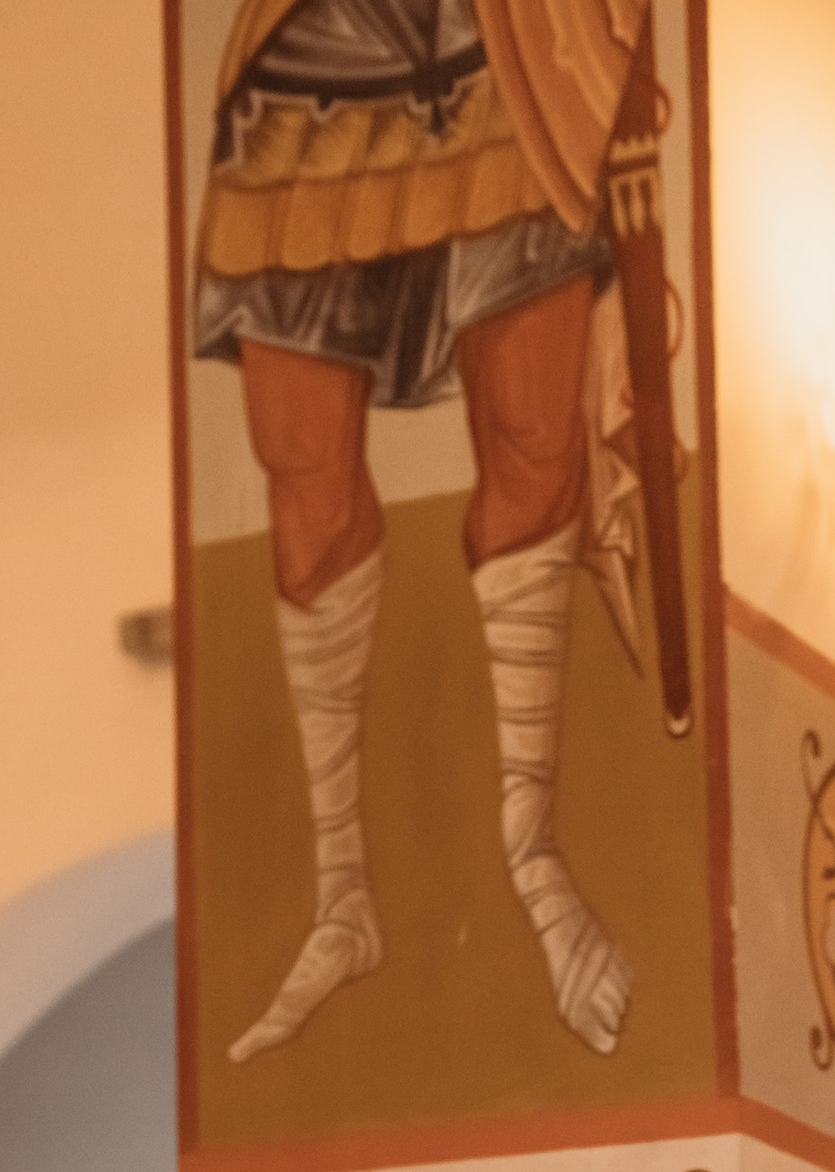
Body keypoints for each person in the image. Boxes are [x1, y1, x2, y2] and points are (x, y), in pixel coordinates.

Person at [196, 0, 650, 1064]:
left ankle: (532, 852)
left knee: (534, 434)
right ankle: (342, 895)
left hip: (516, 38)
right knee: (299, 458)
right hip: (312, 44)